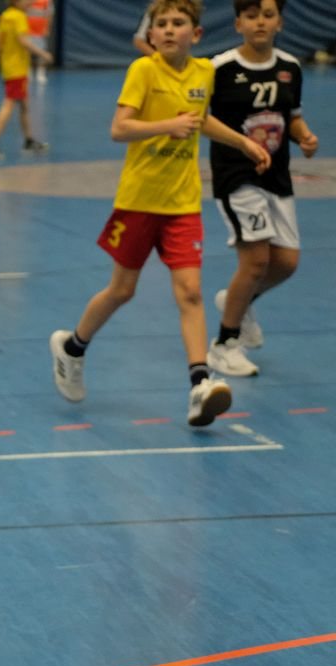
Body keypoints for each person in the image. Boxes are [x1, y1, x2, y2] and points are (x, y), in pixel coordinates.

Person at [48, 0, 271, 427]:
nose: (168, 29)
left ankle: (199, 385)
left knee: (190, 292)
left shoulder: (203, 72)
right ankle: (72, 348)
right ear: (150, 36)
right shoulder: (143, 71)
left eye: (178, 23)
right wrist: (166, 126)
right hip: (139, 199)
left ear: (196, 34)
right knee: (122, 290)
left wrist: (243, 142)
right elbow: (119, 129)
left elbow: (200, 120)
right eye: (161, 24)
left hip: (182, 203)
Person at [206, 0, 319, 377]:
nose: (260, 22)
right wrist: (241, 144)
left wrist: (304, 137)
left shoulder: (290, 67)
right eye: (251, 16)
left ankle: (236, 301)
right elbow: (200, 119)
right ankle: (224, 345)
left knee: (285, 263)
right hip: (236, 174)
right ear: (238, 23)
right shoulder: (220, 68)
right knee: (255, 261)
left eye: (268, 15)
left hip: (276, 175)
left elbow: (293, 117)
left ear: (280, 23)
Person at [0, 0, 53, 160]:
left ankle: (28, 141)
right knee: (9, 105)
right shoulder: (19, 17)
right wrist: (43, 54)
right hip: (17, 70)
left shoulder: (5, 16)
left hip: (8, 69)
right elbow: (24, 41)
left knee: (24, 105)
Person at [26, 0, 54, 84]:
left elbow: (49, 14)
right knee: (28, 51)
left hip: (40, 31)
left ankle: (41, 72)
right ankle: (28, 72)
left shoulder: (47, 1)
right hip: (28, 30)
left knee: (42, 51)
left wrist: (47, 28)